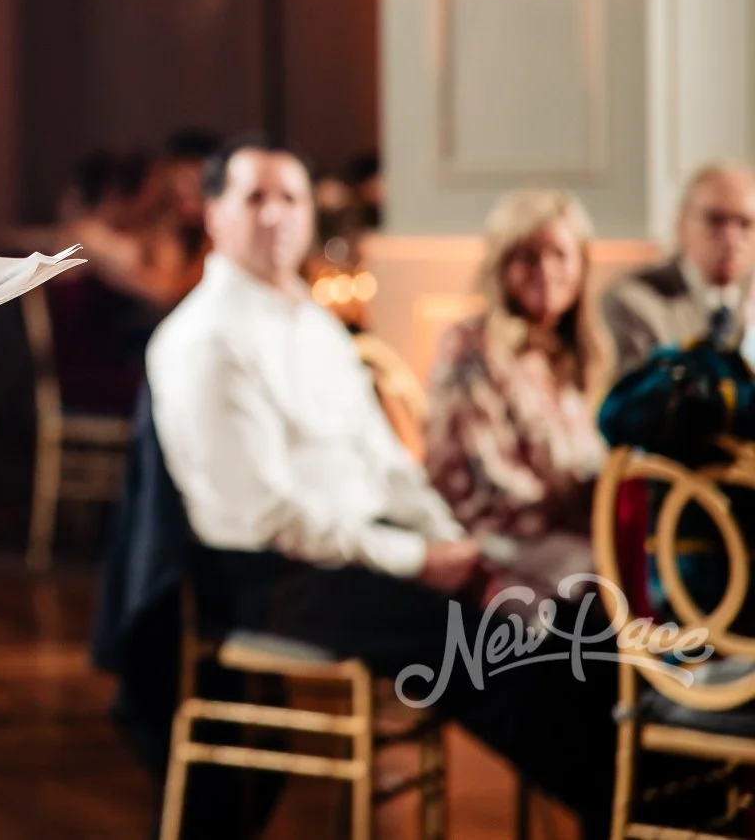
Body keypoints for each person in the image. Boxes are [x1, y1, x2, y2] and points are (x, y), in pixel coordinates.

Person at [147, 136, 615, 834]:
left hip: (361, 552)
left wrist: (447, 539)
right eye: (254, 197)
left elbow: (390, 465)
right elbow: (270, 515)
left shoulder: (315, 323)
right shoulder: (203, 338)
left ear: (311, 216)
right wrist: (420, 560)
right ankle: (621, 802)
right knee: (503, 650)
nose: (274, 215)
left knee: (579, 614)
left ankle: (642, 791)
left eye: (291, 198)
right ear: (213, 212)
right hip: (274, 579)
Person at [425, 189, 609, 597]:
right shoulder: (471, 348)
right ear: (502, 266)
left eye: (559, 255)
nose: (545, 270)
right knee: (612, 578)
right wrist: (587, 509)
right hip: (493, 538)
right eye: (528, 256)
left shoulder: (573, 356)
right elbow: (486, 485)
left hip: (565, 530)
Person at [603, 161, 755, 378]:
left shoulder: (750, 302)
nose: (730, 238)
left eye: (744, 223)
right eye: (715, 220)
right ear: (682, 224)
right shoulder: (634, 302)